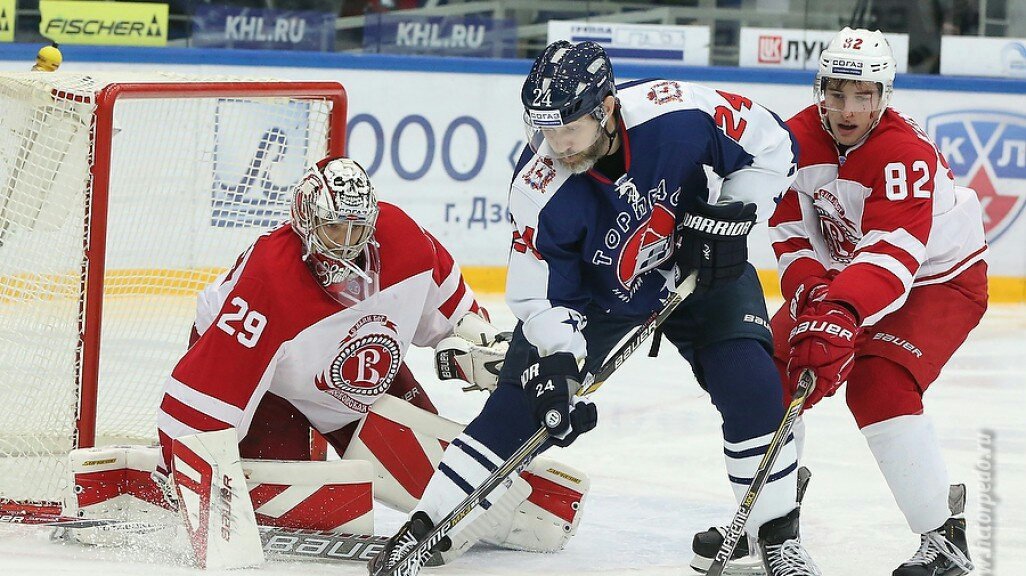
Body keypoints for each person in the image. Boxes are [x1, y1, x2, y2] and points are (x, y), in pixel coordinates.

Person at [372, 40, 821, 576]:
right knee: (519, 408)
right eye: (546, 129)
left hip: (699, 267)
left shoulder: (678, 112)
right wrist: (560, 359)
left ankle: (776, 535)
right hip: (599, 299)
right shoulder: (538, 188)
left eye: (569, 128)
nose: (557, 144)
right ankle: (426, 526)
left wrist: (732, 213)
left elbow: (776, 146)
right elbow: (539, 293)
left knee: (751, 385)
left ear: (606, 107)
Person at [72, 155, 590, 560]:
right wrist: (189, 470)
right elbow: (202, 402)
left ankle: (503, 500)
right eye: (333, 229)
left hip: (365, 375)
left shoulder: (407, 241)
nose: (348, 242)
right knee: (302, 512)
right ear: (305, 223)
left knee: (436, 486)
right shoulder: (269, 283)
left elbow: (459, 318)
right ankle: (141, 483)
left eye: (357, 227)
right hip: (273, 385)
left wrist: (479, 350)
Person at [768, 28, 986, 576]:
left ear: (884, 96)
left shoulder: (902, 153)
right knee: (767, 371)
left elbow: (894, 254)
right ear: (820, 89)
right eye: (837, 92)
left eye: (863, 95)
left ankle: (944, 541)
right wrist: (814, 297)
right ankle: (773, 526)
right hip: (850, 278)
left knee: (878, 384)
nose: (847, 109)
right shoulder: (793, 141)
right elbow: (791, 233)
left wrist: (839, 314)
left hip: (939, 278)